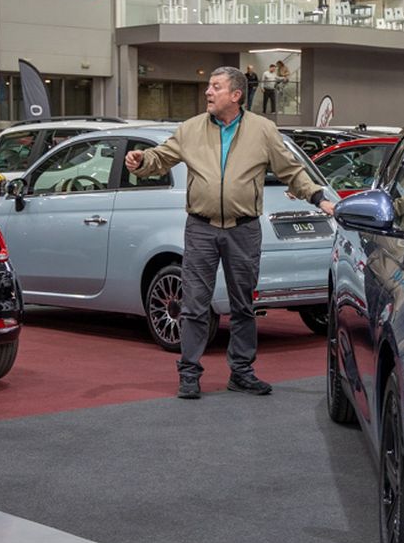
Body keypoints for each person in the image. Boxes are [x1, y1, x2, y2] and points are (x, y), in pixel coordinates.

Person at [124, 66, 334, 399]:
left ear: (236, 95)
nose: (208, 92)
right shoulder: (191, 129)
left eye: (216, 87)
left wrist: (320, 198)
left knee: (243, 305)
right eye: (209, 86)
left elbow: (291, 171)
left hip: (244, 229)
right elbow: (160, 158)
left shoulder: (263, 130)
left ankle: (242, 372)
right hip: (201, 229)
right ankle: (189, 374)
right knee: (194, 304)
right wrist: (141, 161)